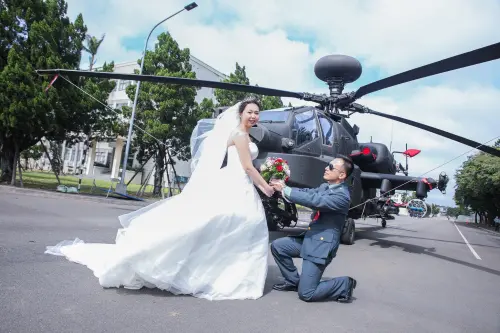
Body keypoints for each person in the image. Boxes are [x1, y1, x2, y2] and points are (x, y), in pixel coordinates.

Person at [44, 97, 276, 301]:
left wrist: (267, 172)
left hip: (235, 184)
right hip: (237, 186)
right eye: (250, 112)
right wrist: (266, 187)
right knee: (243, 226)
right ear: (241, 113)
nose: (254, 116)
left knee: (231, 227)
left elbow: (243, 163)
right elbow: (246, 167)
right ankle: (228, 275)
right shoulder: (239, 134)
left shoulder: (239, 135)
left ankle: (223, 270)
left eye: (257, 113)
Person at [269, 155, 357, 303]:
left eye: (330, 167)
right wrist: (285, 188)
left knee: (307, 294)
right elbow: (308, 193)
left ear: (342, 175)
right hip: (310, 239)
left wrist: (286, 190)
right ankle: (293, 282)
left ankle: (344, 284)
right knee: (278, 247)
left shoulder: (342, 196)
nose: (326, 168)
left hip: (320, 247)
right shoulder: (325, 187)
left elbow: (315, 201)